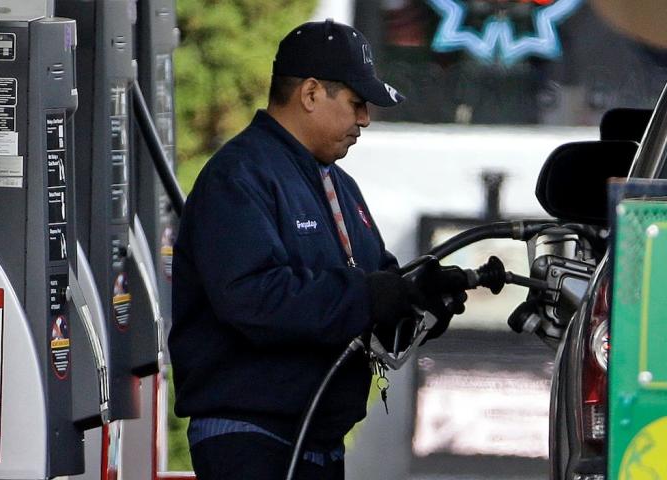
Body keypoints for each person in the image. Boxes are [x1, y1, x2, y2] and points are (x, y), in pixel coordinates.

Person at [169, 20, 467, 480]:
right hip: (251, 439)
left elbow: (375, 284)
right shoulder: (239, 177)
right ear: (310, 94)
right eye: (356, 103)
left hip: (320, 441)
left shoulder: (338, 185)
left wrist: (421, 296)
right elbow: (251, 298)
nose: (365, 119)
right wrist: (365, 297)